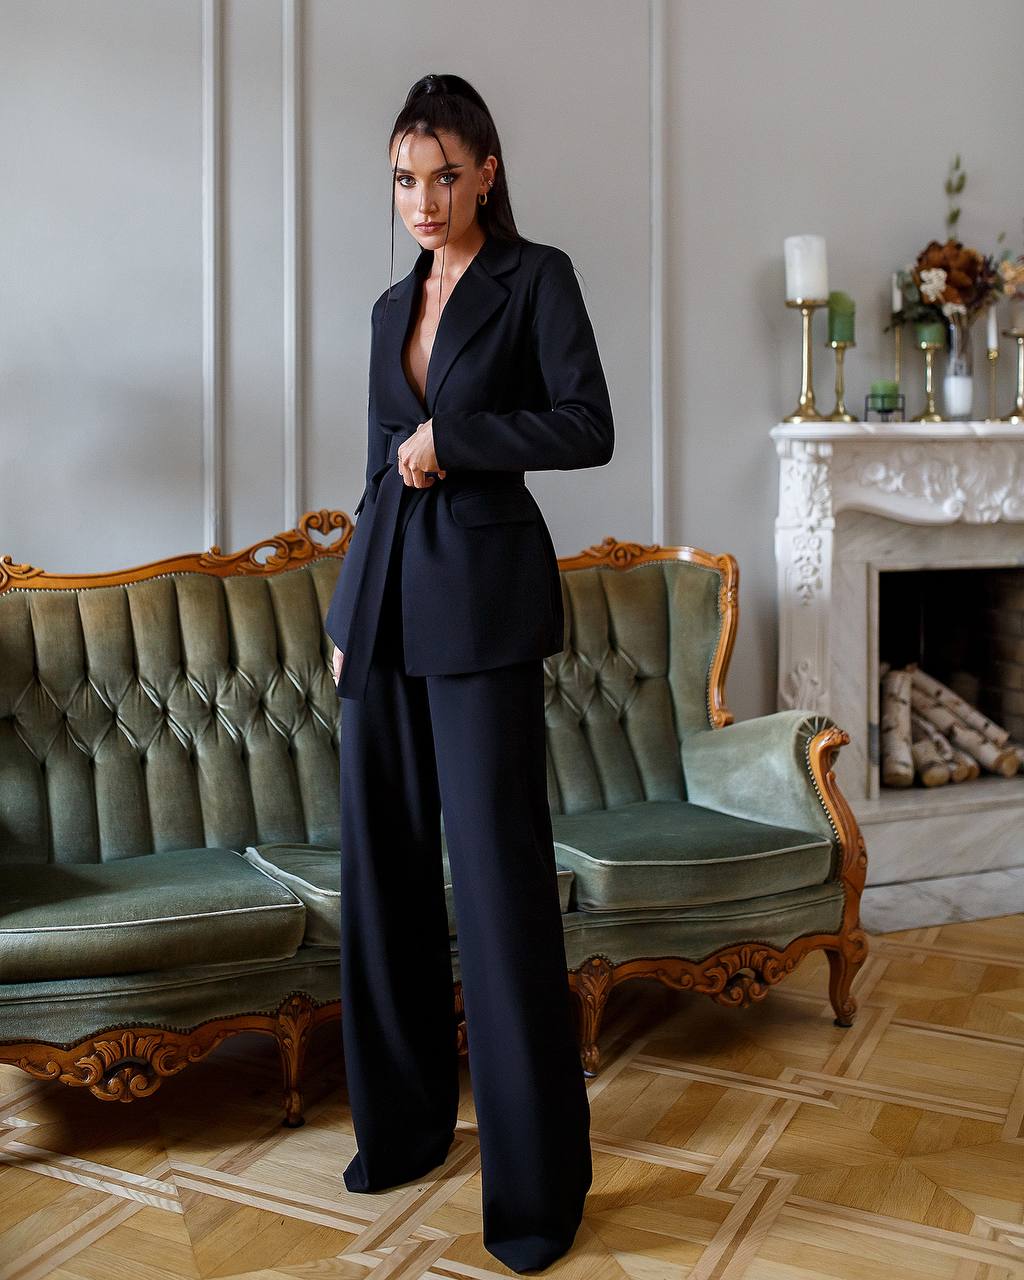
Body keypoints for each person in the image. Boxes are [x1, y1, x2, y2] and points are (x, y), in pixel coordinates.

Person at [323, 72, 614, 1274]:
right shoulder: (391, 299)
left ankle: (538, 1189)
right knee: (381, 877)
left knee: (498, 901)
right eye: (404, 178)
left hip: (484, 614)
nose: (422, 199)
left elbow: (585, 424)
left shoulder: (535, 277)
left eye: (443, 174)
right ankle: (397, 1131)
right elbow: (375, 469)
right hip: (383, 611)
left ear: (485, 170)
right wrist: (346, 606)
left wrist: (464, 438)